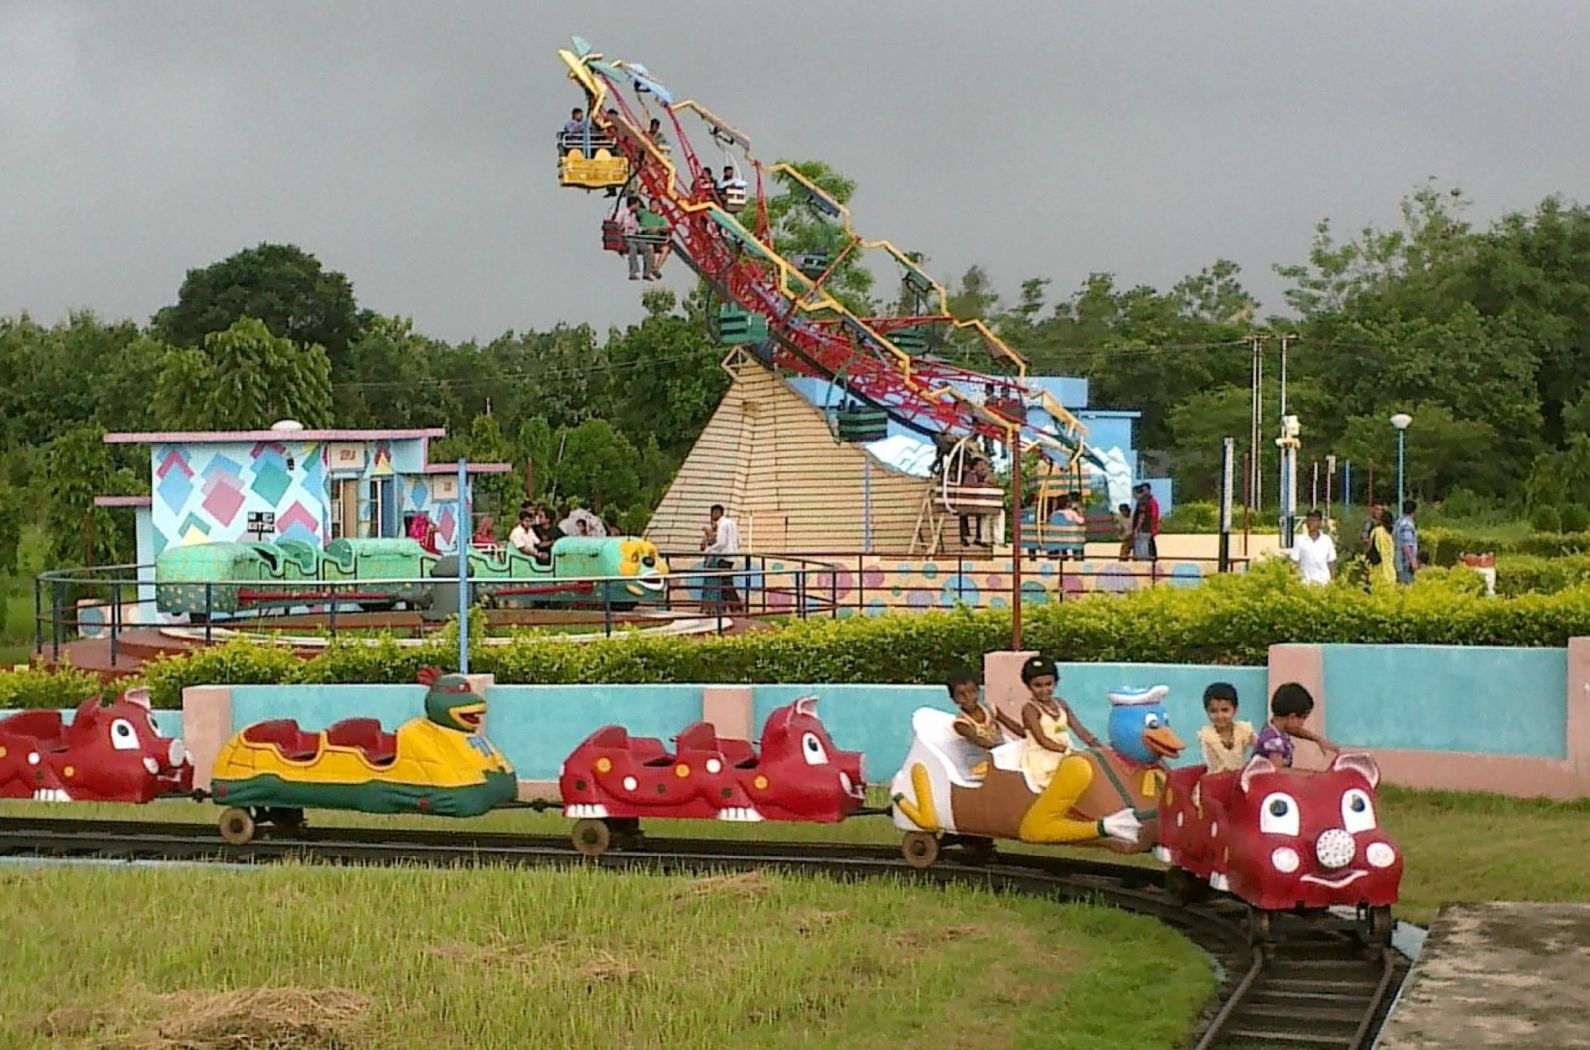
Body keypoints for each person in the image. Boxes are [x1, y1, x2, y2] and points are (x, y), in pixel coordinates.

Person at [1254, 682, 1339, 770]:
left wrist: (1318, 739)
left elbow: (1295, 730)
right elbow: (1278, 772)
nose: (1302, 724)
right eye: (1303, 719)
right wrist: (1310, 775)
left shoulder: (1275, 727)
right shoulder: (1273, 739)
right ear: (1292, 717)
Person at [1196, 682, 1257, 774]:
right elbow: (1216, 765)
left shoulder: (1243, 729)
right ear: (1206, 711)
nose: (1220, 716)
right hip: (1215, 781)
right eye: (1213, 711)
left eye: (1225, 710)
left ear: (1235, 709)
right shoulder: (1207, 735)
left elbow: (1261, 747)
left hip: (1238, 779)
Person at [947, 668, 1001, 751]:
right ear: (954, 699)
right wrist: (1002, 747)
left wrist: (1027, 734)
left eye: (972, 691)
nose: (968, 697)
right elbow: (980, 741)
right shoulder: (961, 723)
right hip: (978, 761)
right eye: (962, 694)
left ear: (978, 691)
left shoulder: (990, 709)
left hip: (1000, 755)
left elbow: (1013, 726)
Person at [702, 503, 742, 613]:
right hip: (732, 556)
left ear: (717, 513)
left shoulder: (723, 525)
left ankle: (736, 607)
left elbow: (721, 543)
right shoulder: (732, 523)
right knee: (727, 583)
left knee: (725, 584)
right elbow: (739, 541)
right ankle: (732, 607)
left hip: (724, 557)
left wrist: (709, 550)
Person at [1289, 508, 1337, 586]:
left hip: (1324, 583)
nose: (1311, 523)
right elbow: (1294, 561)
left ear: (1319, 522)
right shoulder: (1300, 540)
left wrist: (1333, 580)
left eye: (1314, 520)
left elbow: (1331, 562)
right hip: (1305, 584)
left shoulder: (1326, 540)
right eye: (1309, 520)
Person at [636, 198, 672, 274]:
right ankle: (652, 267)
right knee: (650, 247)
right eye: (652, 205)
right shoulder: (644, 213)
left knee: (666, 248)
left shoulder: (661, 219)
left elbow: (666, 228)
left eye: (655, 205)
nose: (653, 206)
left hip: (656, 240)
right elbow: (636, 208)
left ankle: (657, 268)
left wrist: (658, 228)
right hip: (646, 240)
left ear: (659, 206)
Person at [1366, 508, 1396, 590]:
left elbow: (1370, 547)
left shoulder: (1377, 531)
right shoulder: (1390, 534)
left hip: (1378, 570)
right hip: (1390, 571)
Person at [1394, 500, 1420, 585]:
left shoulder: (1398, 522)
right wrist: (1412, 560)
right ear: (1414, 511)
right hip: (1405, 564)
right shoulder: (1407, 525)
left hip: (1398, 562)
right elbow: (1406, 545)